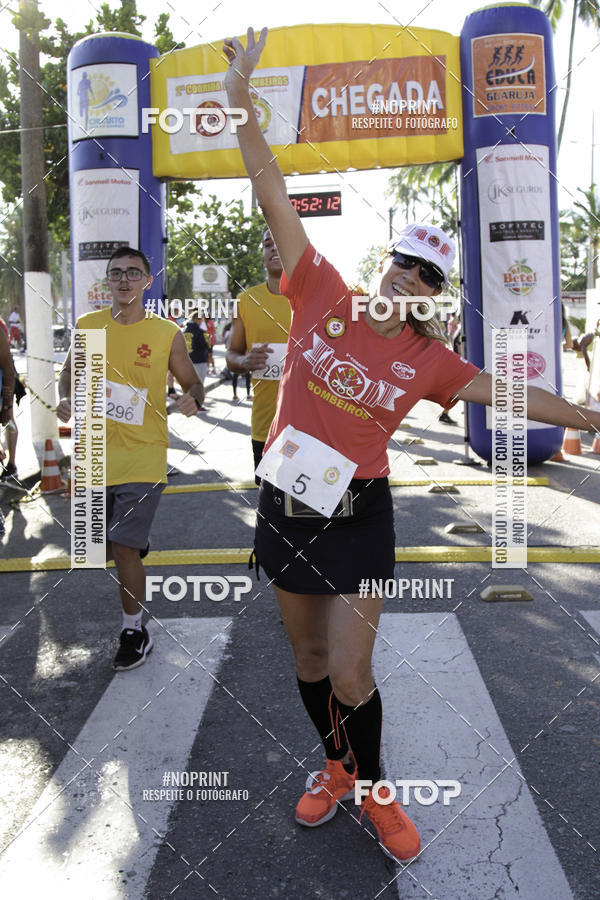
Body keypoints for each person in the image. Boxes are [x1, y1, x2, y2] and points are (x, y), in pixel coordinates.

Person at [223, 27, 600, 863]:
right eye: (400, 262)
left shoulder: (430, 361)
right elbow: (269, 188)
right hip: (288, 501)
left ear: (435, 296)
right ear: (382, 263)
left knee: (354, 673)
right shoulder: (321, 287)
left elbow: (512, 392)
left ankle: (376, 788)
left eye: (425, 275)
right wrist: (239, 97)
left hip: (361, 513)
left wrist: (589, 418)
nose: (406, 278)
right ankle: (333, 766)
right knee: (311, 659)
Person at [57, 247, 204, 671]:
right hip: (95, 455)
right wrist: (67, 398)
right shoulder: (88, 326)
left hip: (144, 454)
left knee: (122, 546)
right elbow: (69, 375)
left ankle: (133, 629)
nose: (124, 280)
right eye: (116, 273)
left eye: (133, 273)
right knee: (99, 547)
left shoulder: (165, 333)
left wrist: (192, 399)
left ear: (147, 281)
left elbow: (193, 384)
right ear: (107, 282)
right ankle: (132, 545)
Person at [225, 228, 291, 478]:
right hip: (266, 427)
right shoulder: (244, 301)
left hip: (314, 430)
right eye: (267, 245)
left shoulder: (318, 298)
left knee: (313, 513)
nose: (273, 248)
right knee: (270, 509)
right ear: (263, 256)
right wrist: (244, 360)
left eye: (280, 242)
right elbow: (232, 354)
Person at [0, 316, 18, 482]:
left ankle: (11, 465)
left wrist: (6, 405)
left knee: (9, 420)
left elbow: (7, 367)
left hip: (5, 384)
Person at [184, 312, 209, 409]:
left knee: (190, 384)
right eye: (201, 319)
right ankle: (197, 404)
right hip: (199, 360)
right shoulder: (200, 331)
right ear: (197, 319)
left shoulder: (184, 330)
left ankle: (190, 403)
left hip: (188, 360)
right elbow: (206, 345)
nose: (201, 321)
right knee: (199, 384)